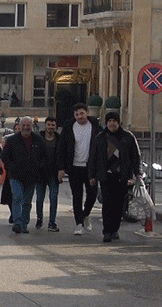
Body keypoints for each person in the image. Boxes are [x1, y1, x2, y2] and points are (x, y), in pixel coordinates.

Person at [89, 111, 141, 243]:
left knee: (119, 205)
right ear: (106, 123)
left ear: (118, 122)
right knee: (107, 204)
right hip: (106, 176)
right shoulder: (100, 138)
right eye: (110, 121)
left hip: (122, 176)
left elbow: (135, 156)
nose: (112, 123)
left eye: (114, 121)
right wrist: (92, 176)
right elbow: (93, 158)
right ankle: (106, 231)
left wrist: (137, 173)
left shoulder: (128, 137)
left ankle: (114, 230)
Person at [58, 102, 102, 236]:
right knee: (77, 196)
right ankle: (78, 224)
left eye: (82, 113)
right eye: (77, 114)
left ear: (87, 113)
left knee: (92, 194)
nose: (79, 116)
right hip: (75, 167)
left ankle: (86, 214)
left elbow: (101, 148)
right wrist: (61, 168)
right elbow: (62, 148)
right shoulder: (69, 127)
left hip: (91, 168)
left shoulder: (95, 128)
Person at [0, 117, 48, 234]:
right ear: (20, 126)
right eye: (24, 125)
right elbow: (4, 156)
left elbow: (45, 155)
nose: (26, 127)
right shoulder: (12, 140)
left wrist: (39, 167)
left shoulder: (38, 140)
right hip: (15, 175)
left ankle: (24, 223)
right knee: (17, 197)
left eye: (28, 125)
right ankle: (17, 222)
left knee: (27, 201)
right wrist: (10, 167)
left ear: (31, 126)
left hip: (31, 176)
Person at [35, 116, 62, 231]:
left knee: (53, 197)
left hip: (54, 173)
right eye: (49, 125)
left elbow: (62, 156)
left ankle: (52, 222)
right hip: (40, 173)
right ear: (45, 125)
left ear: (55, 127)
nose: (51, 127)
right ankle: (39, 218)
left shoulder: (59, 139)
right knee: (40, 198)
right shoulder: (38, 138)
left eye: (53, 125)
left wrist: (62, 169)